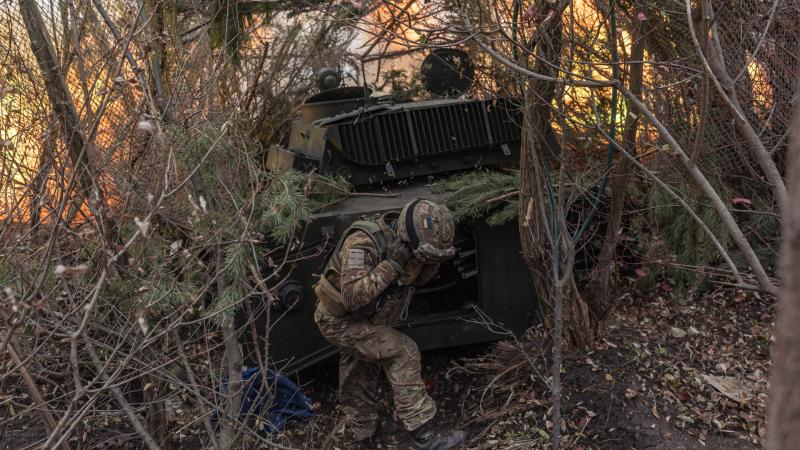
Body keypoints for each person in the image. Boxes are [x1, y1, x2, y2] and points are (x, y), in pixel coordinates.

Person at [314, 199, 466, 450]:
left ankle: (363, 435)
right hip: (339, 322)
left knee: (359, 372)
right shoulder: (363, 241)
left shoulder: (412, 246)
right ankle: (424, 436)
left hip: (370, 319)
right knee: (403, 351)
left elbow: (417, 280)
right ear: (409, 239)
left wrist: (427, 262)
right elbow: (351, 298)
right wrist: (391, 264)